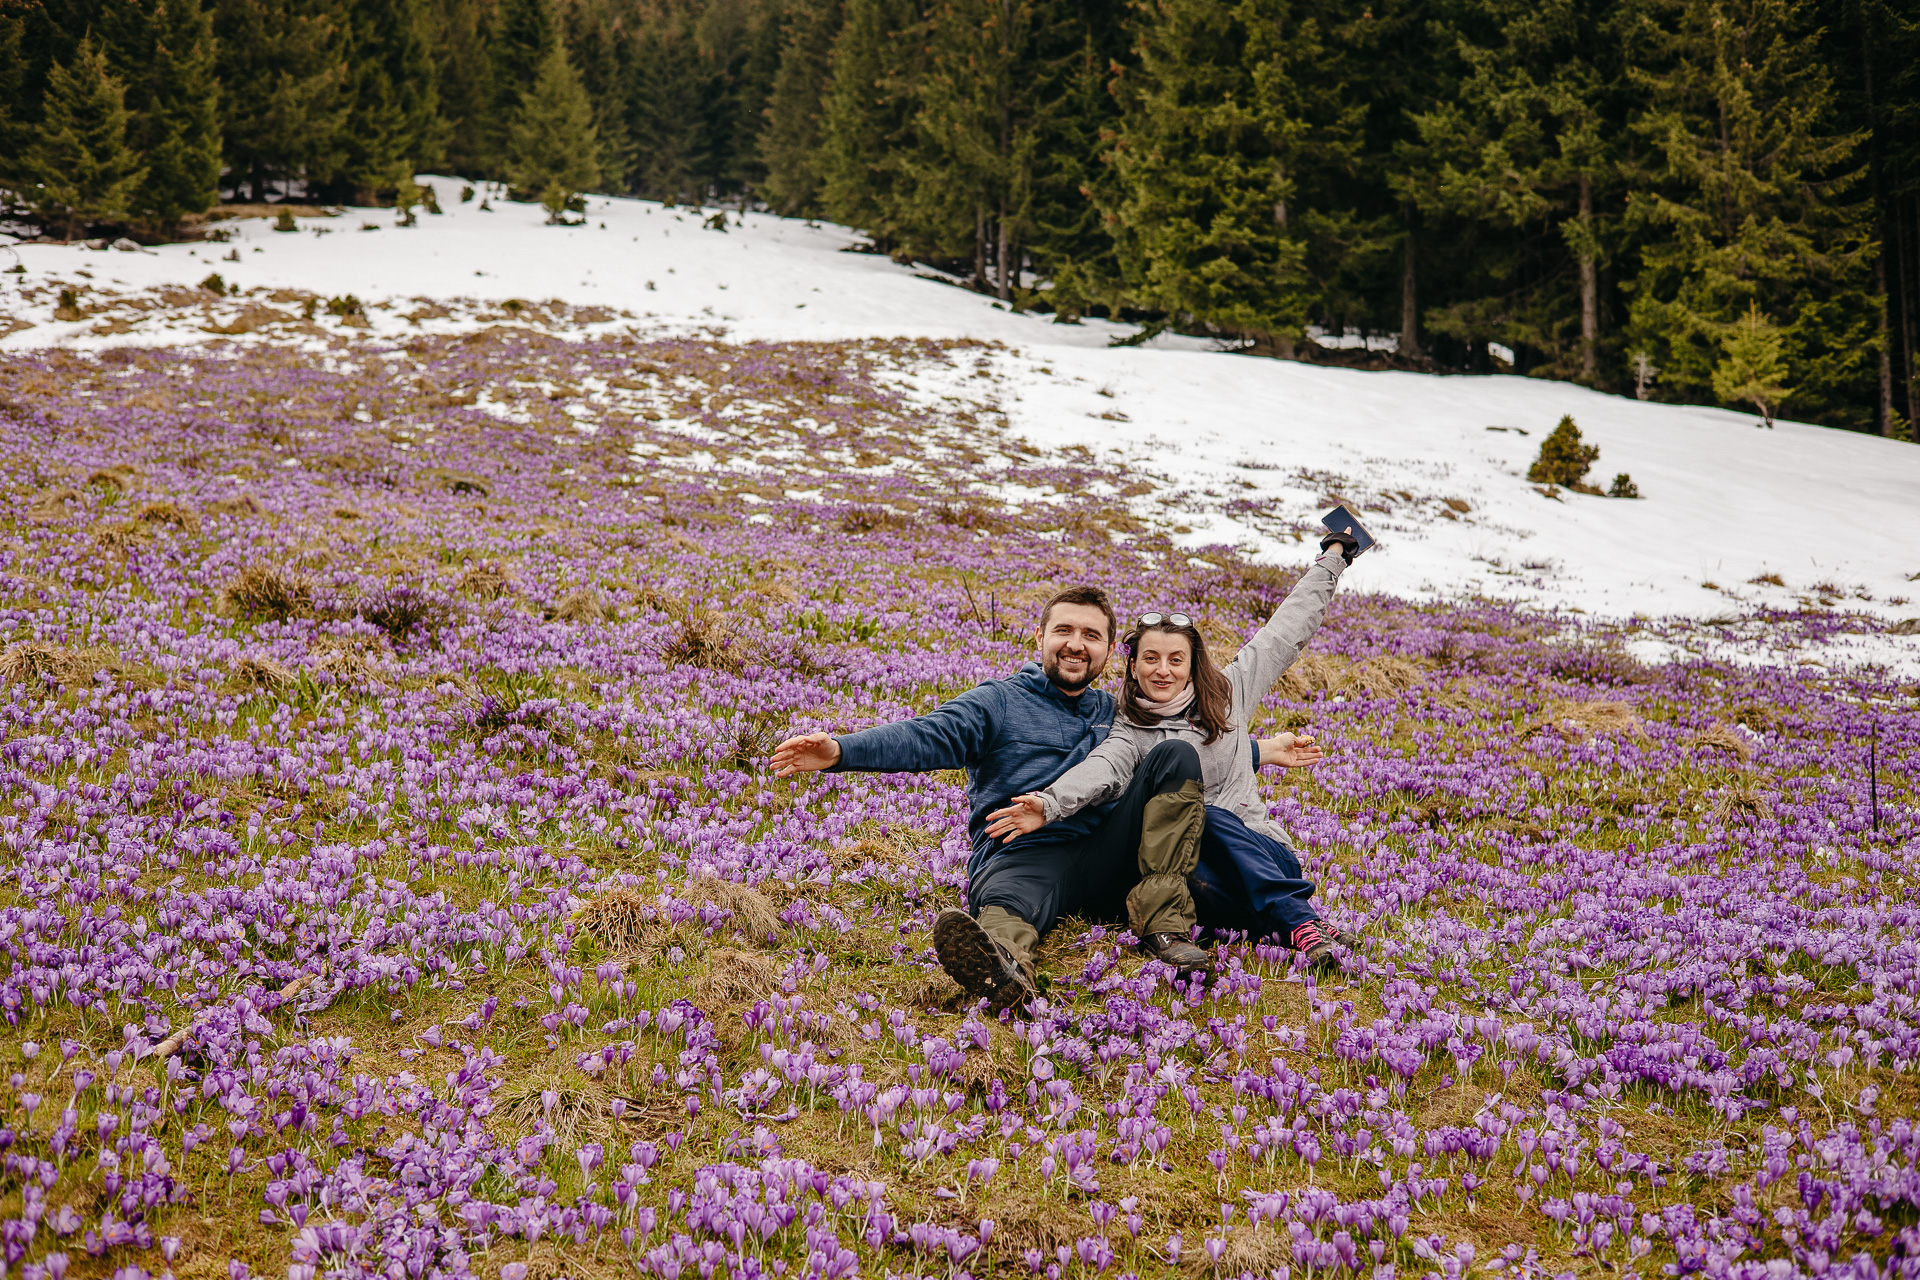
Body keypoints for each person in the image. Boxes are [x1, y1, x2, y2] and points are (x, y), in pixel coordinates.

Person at [768, 583, 1313, 1013]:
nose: (1076, 644)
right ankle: (1004, 967)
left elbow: (1171, 751)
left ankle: (1166, 927)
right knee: (1008, 903)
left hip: (1107, 852)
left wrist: (1257, 750)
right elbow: (926, 735)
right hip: (1022, 848)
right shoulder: (998, 703)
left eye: (1091, 636)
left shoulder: (1116, 711)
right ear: (1041, 636)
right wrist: (843, 751)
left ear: (1107, 653)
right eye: (1064, 631)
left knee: (1170, 763)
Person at [985, 537, 1357, 971]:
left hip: (1263, 855)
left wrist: (1333, 557)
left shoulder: (1229, 693)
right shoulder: (1128, 725)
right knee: (1187, 857)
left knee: (1214, 817)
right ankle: (1294, 924)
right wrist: (1049, 804)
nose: (1163, 670)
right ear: (1133, 665)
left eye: (1175, 659)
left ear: (1191, 662)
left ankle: (1299, 921)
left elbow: (1287, 630)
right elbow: (1103, 767)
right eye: (1151, 659)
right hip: (1200, 879)